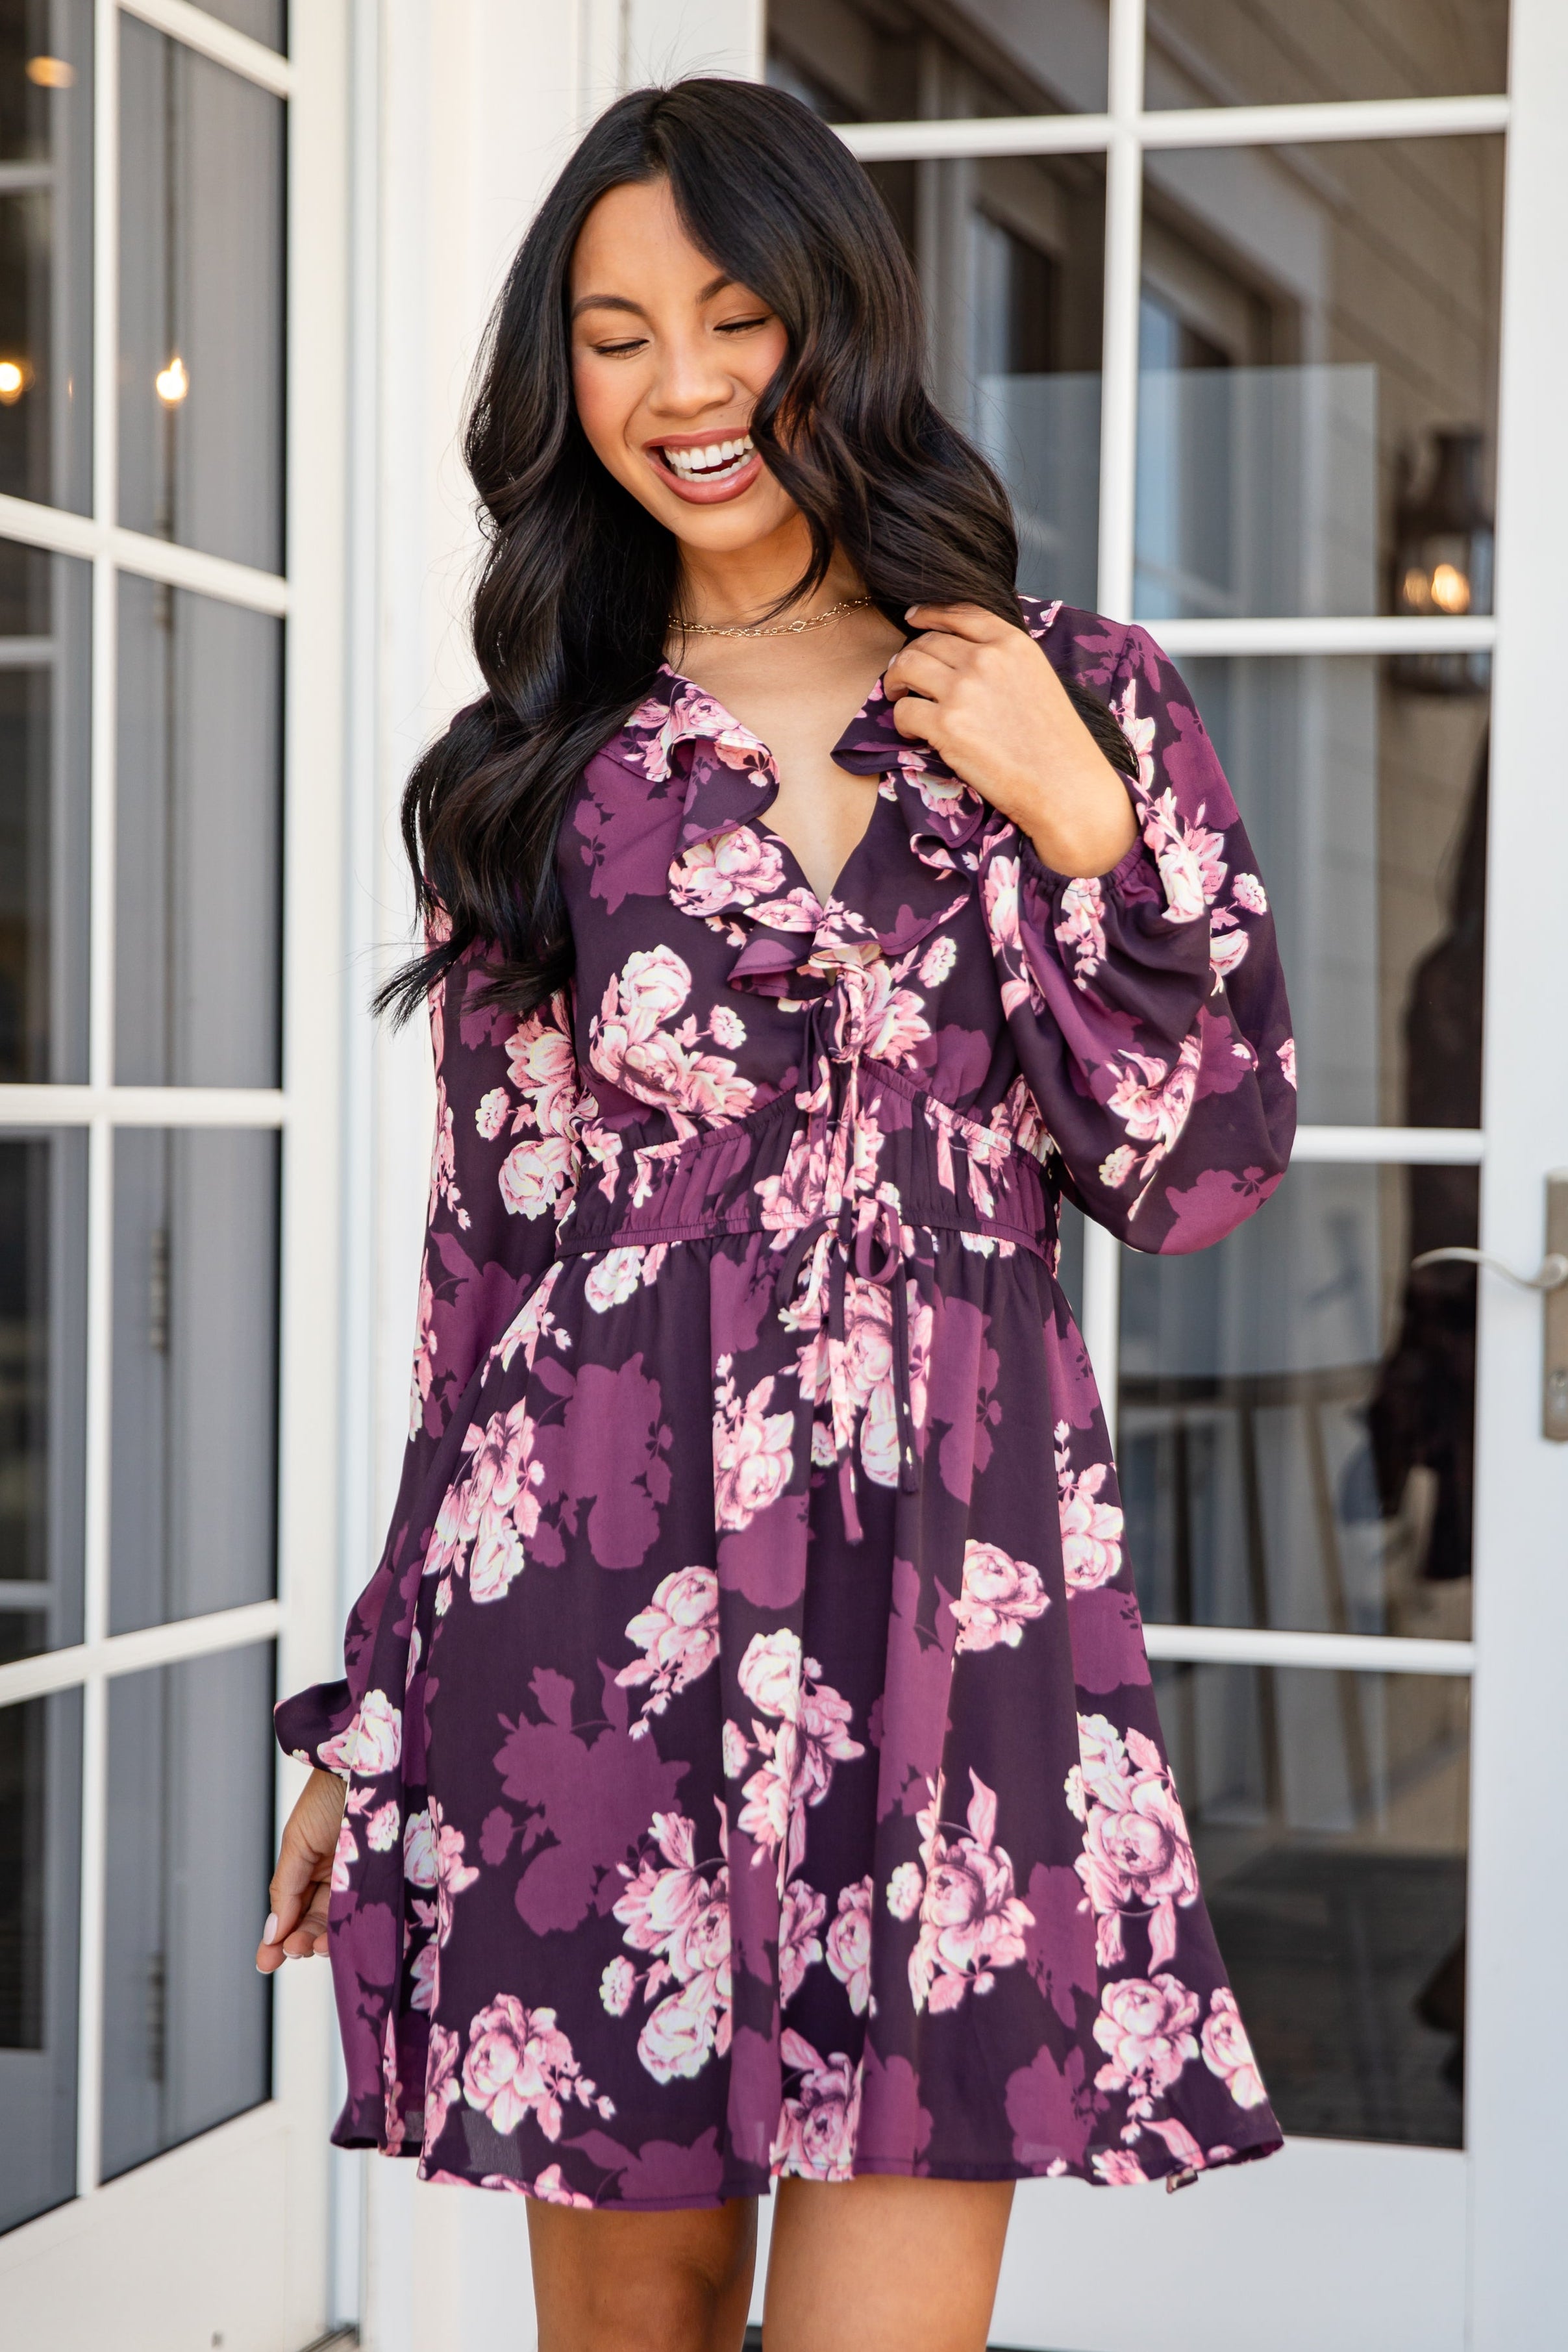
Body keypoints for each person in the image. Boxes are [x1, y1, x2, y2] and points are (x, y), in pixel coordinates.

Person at [258, 78, 1293, 2352]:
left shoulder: (1071, 697)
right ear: (565, 381)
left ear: (840, 322)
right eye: (616, 335)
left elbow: (1201, 1170)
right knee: (626, 2335)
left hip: (956, 1610)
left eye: (735, 318)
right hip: (588, 1612)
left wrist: (1079, 832)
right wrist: (375, 1708)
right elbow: (486, 1282)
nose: (684, 389)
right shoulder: (538, 769)